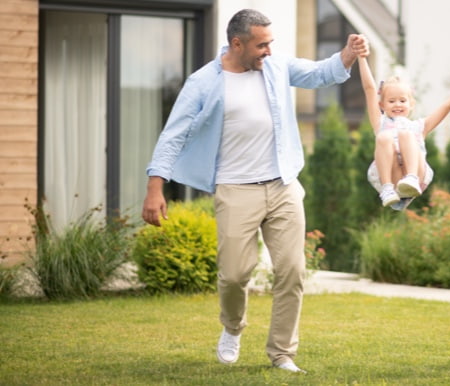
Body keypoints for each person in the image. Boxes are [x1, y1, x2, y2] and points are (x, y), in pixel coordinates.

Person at [141, 9, 368, 374]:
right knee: (234, 275)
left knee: (292, 271)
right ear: (237, 43)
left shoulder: (276, 67)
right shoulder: (203, 82)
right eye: (262, 45)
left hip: (282, 185)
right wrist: (155, 187)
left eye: (270, 43)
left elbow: (319, 73)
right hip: (235, 188)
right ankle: (233, 326)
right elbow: (173, 135)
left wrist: (348, 53)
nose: (268, 50)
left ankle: (282, 353)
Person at [358, 53, 450, 210]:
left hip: (416, 175)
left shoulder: (420, 126)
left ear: (411, 104)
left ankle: (411, 179)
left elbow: (448, 105)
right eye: (391, 101)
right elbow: (369, 89)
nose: (397, 104)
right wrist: (362, 57)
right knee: (383, 137)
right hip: (392, 178)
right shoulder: (381, 123)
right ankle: (386, 188)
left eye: (402, 100)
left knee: (406, 133)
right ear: (382, 105)